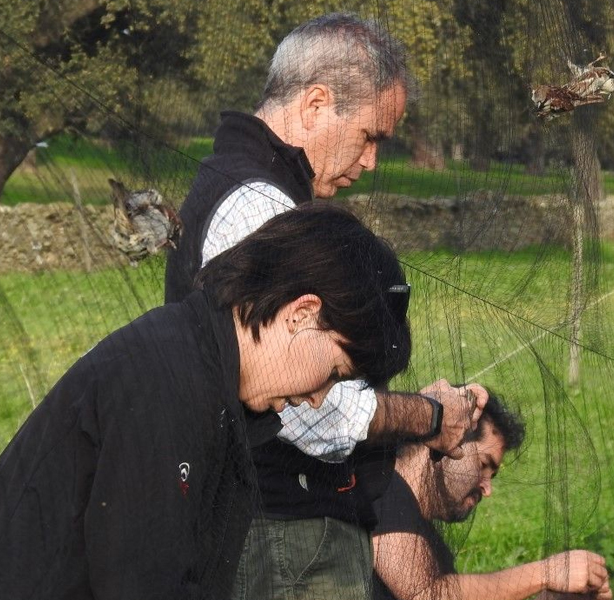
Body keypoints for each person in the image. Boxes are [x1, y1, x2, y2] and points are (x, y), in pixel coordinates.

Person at [0, 202, 411, 600]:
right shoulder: (166, 385)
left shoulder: (202, 371)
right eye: (334, 372)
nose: (316, 397)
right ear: (302, 313)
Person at [162, 13, 487, 600]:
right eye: (370, 137)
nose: (371, 163)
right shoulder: (260, 209)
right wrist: (429, 416)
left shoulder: (254, 190)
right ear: (315, 104)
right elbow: (312, 412)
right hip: (277, 536)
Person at [372, 393, 613, 600]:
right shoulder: (382, 489)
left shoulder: (423, 534)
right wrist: (546, 573)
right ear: (449, 439)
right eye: (483, 464)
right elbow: (426, 595)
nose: (487, 488)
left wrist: (550, 590)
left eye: (492, 475)